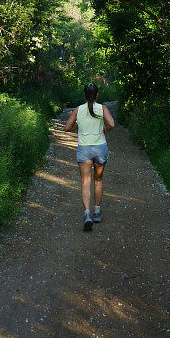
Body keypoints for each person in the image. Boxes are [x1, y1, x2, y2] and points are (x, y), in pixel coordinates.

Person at [64, 82, 116, 231]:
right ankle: (97, 212)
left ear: (84, 96)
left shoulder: (78, 110)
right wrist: (104, 129)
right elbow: (112, 124)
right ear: (97, 95)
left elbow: (67, 128)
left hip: (84, 149)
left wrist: (78, 126)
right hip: (100, 148)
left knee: (85, 181)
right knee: (98, 179)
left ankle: (87, 214)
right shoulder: (102, 108)